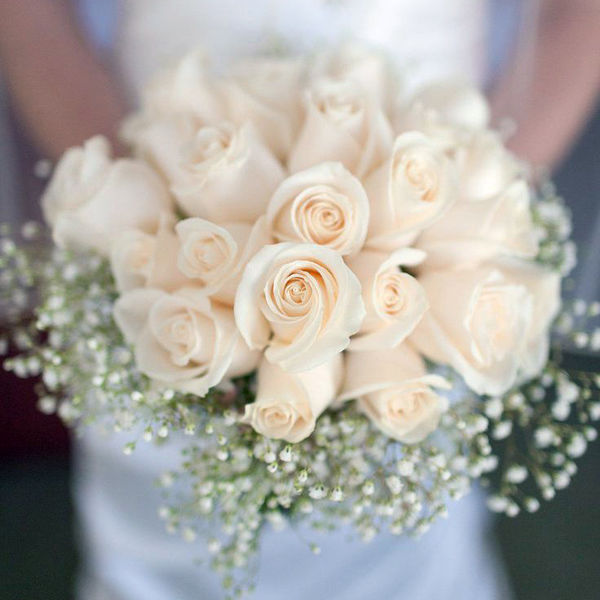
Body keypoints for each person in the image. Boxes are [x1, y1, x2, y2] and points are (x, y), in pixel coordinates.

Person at [1, 1, 600, 599]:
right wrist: (138, 209)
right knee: (160, 524)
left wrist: (474, 211)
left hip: (425, 202)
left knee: (404, 526)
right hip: (159, 193)